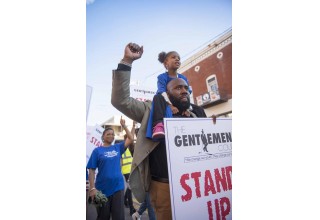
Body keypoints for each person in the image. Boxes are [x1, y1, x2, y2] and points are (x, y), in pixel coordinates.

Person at [111, 42, 216, 220]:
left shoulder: (197, 113)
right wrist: (127, 61)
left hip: (200, 185)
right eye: (177, 88)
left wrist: (215, 128)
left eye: (185, 88)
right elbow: (120, 100)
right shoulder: (151, 110)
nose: (184, 91)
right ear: (166, 92)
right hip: (164, 187)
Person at [87, 117, 134, 220]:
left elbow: (130, 138)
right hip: (102, 189)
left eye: (112, 134)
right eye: (108, 134)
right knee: (103, 216)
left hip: (118, 187)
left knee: (118, 217)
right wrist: (92, 188)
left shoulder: (117, 147)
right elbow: (91, 169)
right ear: (103, 137)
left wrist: (124, 126)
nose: (111, 135)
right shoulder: (97, 151)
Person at [149, 50, 193, 140]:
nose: (177, 59)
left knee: (198, 109)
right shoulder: (162, 77)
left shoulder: (183, 78)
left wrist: (187, 108)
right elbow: (162, 91)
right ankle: (158, 126)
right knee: (157, 97)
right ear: (166, 63)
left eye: (179, 58)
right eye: (173, 57)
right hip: (166, 103)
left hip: (180, 103)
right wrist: (170, 106)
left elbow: (188, 92)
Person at [122, 122, 136, 216]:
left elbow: (131, 136)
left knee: (129, 188)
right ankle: (131, 209)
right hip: (126, 171)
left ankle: (124, 200)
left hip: (131, 170)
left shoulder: (131, 148)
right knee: (130, 189)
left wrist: (134, 126)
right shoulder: (123, 147)